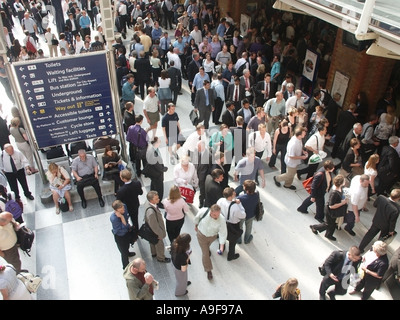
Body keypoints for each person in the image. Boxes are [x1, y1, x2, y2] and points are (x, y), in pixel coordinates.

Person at [358, 189, 400, 253]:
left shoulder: (381, 198)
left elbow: (375, 205)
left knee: (369, 234)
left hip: (377, 221)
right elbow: (393, 221)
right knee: (381, 240)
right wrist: (391, 230)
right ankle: (374, 251)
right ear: (398, 198)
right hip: (386, 226)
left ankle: (360, 248)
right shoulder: (396, 209)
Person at [309, 174, 348, 241]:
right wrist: (342, 203)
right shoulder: (335, 193)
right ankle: (315, 227)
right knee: (328, 224)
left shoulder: (339, 189)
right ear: (341, 183)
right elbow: (331, 206)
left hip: (334, 210)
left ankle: (328, 235)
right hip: (331, 211)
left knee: (332, 224)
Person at [194, 204, 227, 280]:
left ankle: (207, 248)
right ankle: (208, 270)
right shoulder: (203, 211)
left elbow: (223, 233)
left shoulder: (221, 219)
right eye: (215, 215)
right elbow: (196, 218)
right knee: (205, 254)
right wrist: (196, 226)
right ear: (210, 212)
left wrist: (221, 248)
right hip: (201, 235)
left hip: (212, 237)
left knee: (207, 247)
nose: (217, 217)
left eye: (218, 214)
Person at [217, 187, 246, 261]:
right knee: (232, 242)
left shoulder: (220, 201)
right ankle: (231, 256)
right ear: (230, 196)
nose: (235, 194)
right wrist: (240, 204)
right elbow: (243, 215)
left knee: (222, 236)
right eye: (234, 193)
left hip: (222, 222)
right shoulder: (235, 207)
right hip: (233, 225)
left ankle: (221, 249)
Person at [143, 191, 171, 263]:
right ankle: (161, 257)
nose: (158, 200)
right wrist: (160, 234)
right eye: (156, 199)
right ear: (151, 200)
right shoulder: (151, 213)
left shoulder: (148, 203)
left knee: (152, 242)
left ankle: (154, 253)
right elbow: (154, 226)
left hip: (150, 230)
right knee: (159, 244)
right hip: (155, 231)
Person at [110, 200, 136, 269]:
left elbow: (127, 219)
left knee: (127, 245)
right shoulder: (114, 219)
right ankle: (126, 266)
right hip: (120, 236)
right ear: (116, 210)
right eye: (121, 210)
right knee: (123, 252)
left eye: (123, 208)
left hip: (126, 232)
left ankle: (128, 252)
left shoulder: (124, 206)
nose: (123, 210)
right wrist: (122, 217)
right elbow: (122, 229)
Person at [146, 137, 168, 205]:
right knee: (159, 188)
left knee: (153, 185)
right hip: (156, 173)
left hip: (153, 173)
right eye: (159, 141)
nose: (160, 142)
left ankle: (151, 195)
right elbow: (156, 165)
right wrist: (163, 169)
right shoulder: (152, 152)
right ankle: (158, 202)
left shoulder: (152, 148)